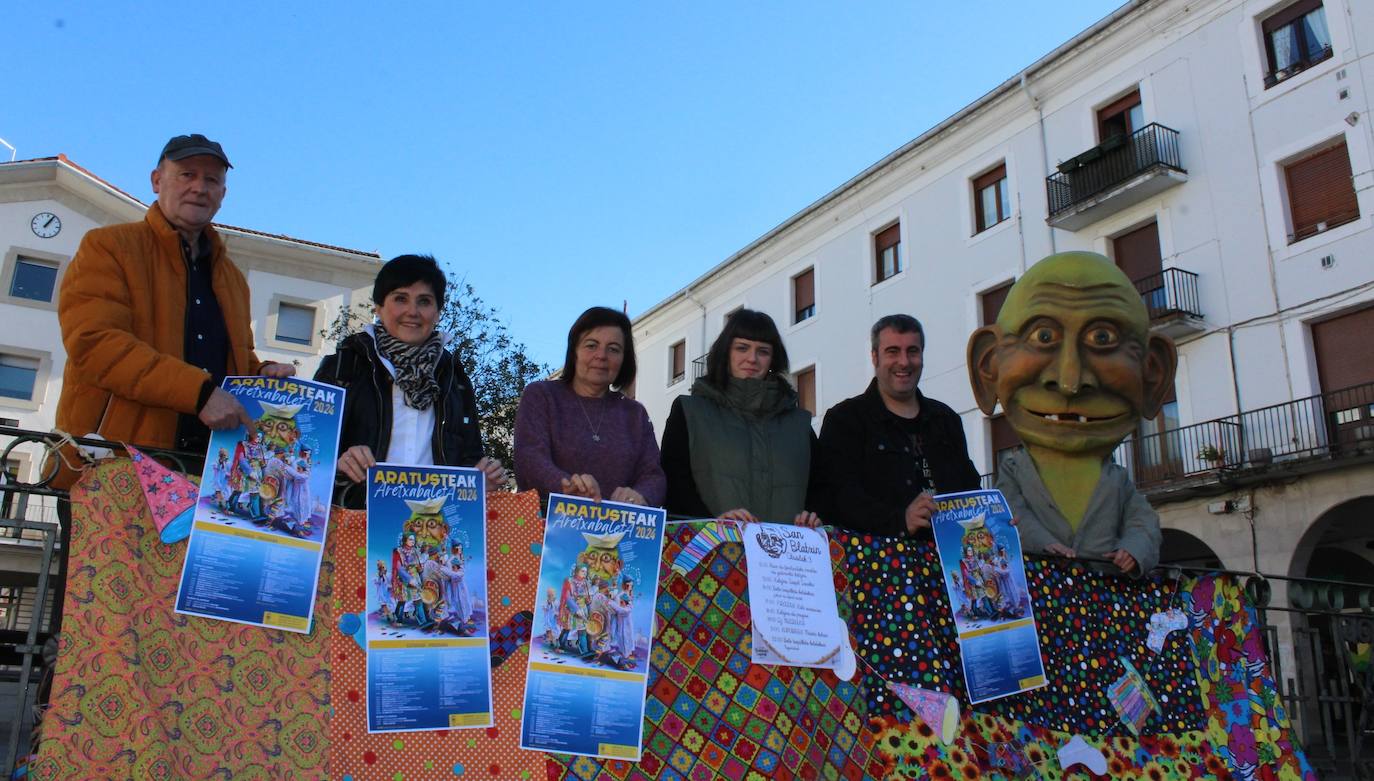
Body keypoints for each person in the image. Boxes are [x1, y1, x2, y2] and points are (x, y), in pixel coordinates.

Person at [54, 134, 294, 478]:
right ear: (157, 180)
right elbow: (95, 344)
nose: (199, 187)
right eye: (187, 174)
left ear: (223, 194)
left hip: (207, 474)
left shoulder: (233, 279)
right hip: (113, 466)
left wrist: (260, 375)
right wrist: (200, 393)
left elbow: (236, 359)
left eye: (211, 180)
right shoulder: (108, 247)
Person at [967, 252, 1171, 575]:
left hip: (1103, 592)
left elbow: (1143, 522)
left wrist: (1133, 550)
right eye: (1043, 337)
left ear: (1154, 374)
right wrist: (1043, 543)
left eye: (1102, 338)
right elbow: (1009, 515)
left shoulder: (1116, 480)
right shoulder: (1015, 471)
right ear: (988, 368)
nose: (1069, 383)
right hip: (1041, 589)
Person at [314, 254, 506, 507]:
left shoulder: (454, 377)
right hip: (356, 515)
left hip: (433, 521)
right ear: (378, 307)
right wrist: (339, 462)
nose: (412, 311)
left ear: (437, 312)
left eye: (424, 301)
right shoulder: (344, 365)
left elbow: (469, 457)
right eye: (400, 298)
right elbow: (307, 448)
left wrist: (481, 479)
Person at [818, 314, 981, 536]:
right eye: (892, 351)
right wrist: (901, 521)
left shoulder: (946, 420)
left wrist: (996, 522)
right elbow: (837, 499)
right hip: (877, 556)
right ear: (875, 357)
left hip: (948, 555)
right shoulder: (845, 420)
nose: (904, 362)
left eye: (912, 351)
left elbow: (970, 491)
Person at [660, 309, 822, 526]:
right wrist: (712, 524)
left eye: (763, 351)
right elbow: (674, 486)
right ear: (726, 352)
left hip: (788, 548)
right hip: (712, 545)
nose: (752, 358)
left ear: (773, 359)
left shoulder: (799, 426)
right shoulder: (689, 412)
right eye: (742, 348)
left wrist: (812, 518)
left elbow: (821, 491)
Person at [514, 307, 666, 506]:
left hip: (617, 525)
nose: (601, 355)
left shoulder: (634, 414)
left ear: (624, 359)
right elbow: (529, 458)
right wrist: (567, 486)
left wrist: (640, 496)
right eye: (591, 345)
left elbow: (653, 475)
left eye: (613, 349)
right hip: (545, 522)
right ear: (574, 352)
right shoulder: (542, 396)